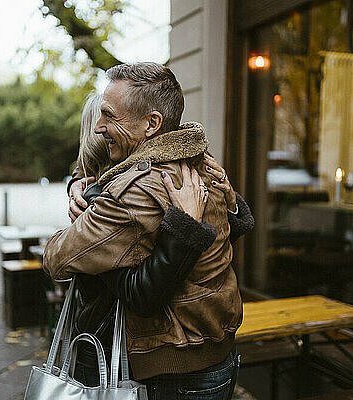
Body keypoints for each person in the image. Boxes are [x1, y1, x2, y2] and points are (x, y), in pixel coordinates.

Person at [44, 62, 245, 400]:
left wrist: (95, 222)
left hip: (176, 372)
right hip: (219, 357)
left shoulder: (134, 190)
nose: (98, 128)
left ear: (152, 123)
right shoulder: (198, 163)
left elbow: (56, 259)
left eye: (108, 115)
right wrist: (83, 187)